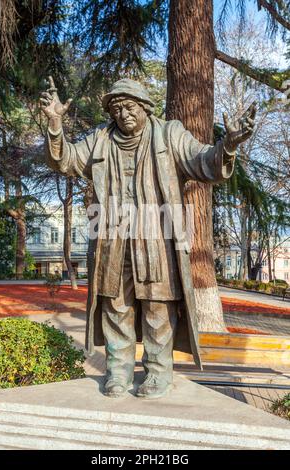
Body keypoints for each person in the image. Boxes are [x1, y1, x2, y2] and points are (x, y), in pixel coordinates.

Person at [41, 77, 256, 398]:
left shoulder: (170, 135)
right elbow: (66, 160)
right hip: (112, 236)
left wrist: (229, 145)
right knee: (116, 305)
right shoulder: (100, 138)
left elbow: (204, 163)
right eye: (116, 109)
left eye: (129, 107)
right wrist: (56, 124)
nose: (123, 113)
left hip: (157, 235)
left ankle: (157, 372)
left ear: (144, 107)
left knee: (158, 307)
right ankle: (118, 371)